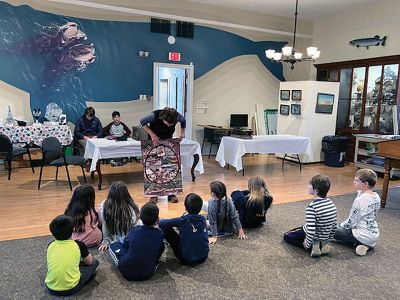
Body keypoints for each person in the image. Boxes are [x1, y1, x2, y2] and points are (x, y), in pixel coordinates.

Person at [283, 175, 337, 258]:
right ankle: (322, 244)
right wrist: (327, 240)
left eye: (310, 184)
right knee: (301, 228)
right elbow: (334, 225)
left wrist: (306, 245)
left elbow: (311, 230)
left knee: (287, 235)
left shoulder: (311, 207)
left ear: (315, 190)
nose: (308, 186)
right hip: (324, 236)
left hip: (311, 235)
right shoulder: (331, 204)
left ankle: (313, 246)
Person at [140, 107, 186, 203]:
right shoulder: (153, 116)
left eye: (172, 124)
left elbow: (183, 121)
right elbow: (142, 122)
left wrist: (182, 134)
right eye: (168, 123)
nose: (169, 125)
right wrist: (152, 134)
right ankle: (154, 194)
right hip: (153, 140)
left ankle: (171, 192)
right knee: (153, 167)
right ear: (162, 118)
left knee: (169, 166)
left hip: (168, 140)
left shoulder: (177, 116)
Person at [45, 215, 99, 296]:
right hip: (72, 288)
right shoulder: (79, 245)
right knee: (95, 262)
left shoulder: (50, 245)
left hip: (50, 288)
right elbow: (89, 262)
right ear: (73, 230)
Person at [108, 202, 165, 281]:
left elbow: (125, 244)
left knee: (114, 245)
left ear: (140, 217)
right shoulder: (160, 234)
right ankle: (151, 262)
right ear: (157, 219)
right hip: (148, 273)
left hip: (127, 271)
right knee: (161, 245)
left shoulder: (135, 230)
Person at [334, 169, 380, 256]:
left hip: (361, 236)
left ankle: (358, 243)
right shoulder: (376, 196)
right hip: (373, 236)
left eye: (356, 180)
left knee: (331, 227)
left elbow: (351, 222)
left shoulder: (360, 200)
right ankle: (366, 245)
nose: (353, 182)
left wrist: (340, 226)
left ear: (365, 184)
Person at [159, 193, 209, 265]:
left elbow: (162, 223)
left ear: (185, 208)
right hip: (204, 256)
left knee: (165, 227)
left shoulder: (182, 220)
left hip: (187, 260)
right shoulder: (203, 219)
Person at [98, 181, 140, 251]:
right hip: (130, 240)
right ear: (126, 194)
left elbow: (105, 225)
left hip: (114, 240)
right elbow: (136, 227)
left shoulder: (105, 205)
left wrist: (106, 240)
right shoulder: (133, 207)